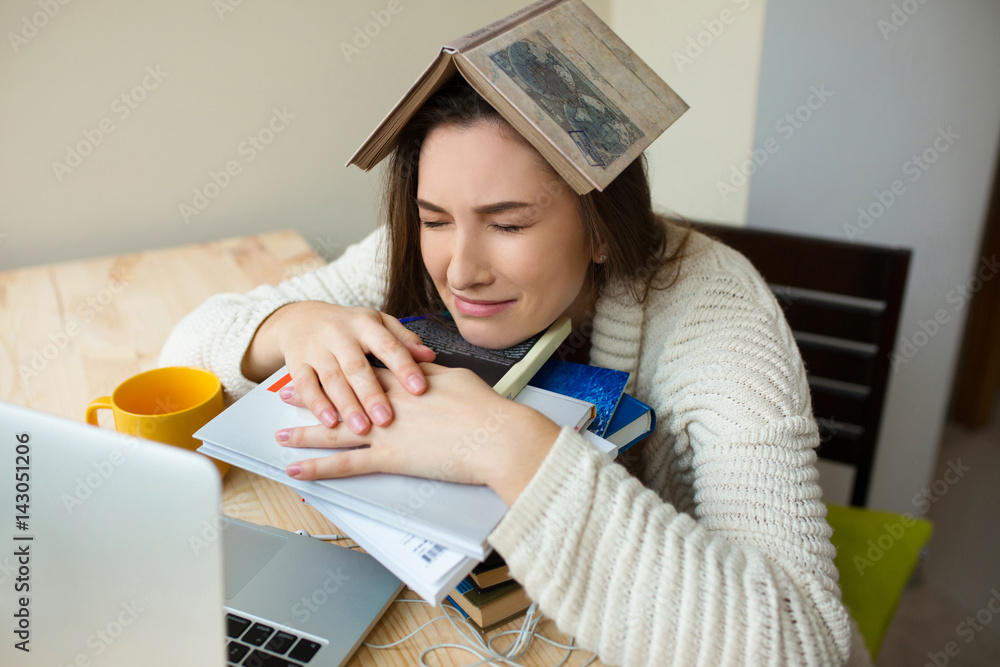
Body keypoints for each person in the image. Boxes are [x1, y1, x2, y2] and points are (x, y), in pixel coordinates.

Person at [160, 76, 868, 666]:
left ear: (600, 228)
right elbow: (181, 356)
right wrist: (288, 326)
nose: (459, 271)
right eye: (435, 219)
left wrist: (509, 444)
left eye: (508, 225)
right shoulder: (418, 251)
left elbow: (805, 647)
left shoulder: (719, 314)